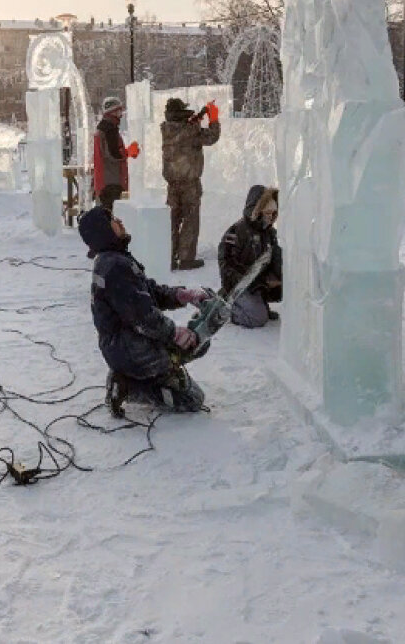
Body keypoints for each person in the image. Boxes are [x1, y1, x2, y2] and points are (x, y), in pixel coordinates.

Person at [78, 205, 211, 415]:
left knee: (194, 342)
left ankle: (137, 376)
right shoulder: (115, 267)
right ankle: (130, 386)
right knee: (192, 398)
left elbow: (147, 292)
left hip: (122, 345)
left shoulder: (113, 260)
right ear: (103, 230)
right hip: (131, 349)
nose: (119, 220)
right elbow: (144, 318)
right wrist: (174, 334)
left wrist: (181, 295)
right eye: (112, 219)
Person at [161, 97, 221, 270]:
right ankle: (186, 258)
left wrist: (194, 120)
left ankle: (169, 257)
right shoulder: (191, 130)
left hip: (172, 183)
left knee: (172, 220)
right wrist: (214, 119)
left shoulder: (166, 128)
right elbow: (211, 137)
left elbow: (182, 131)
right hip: (189, 183)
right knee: (190, 220)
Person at [218, 185, 283, 328]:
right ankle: (224, 307)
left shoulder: (270, 234)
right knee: (257, 318)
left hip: (257, 286)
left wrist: (280, 277)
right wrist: (262, 282)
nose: (271, 217)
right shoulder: (236, 232)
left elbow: (276, 260)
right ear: (257, 211)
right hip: (239, 287)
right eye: (267, 213)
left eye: (274, 213)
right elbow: (228, 269)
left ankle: (258, 304)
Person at [93, 95, 139, 212]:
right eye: (119, 111)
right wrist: (129, 152)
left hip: (105, 181)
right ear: (112, 112)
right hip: (110, 182)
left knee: (106, 216)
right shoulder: (109, 130)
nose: (121, 114)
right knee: (110, 218)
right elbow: (114, 154)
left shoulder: (104, 129)